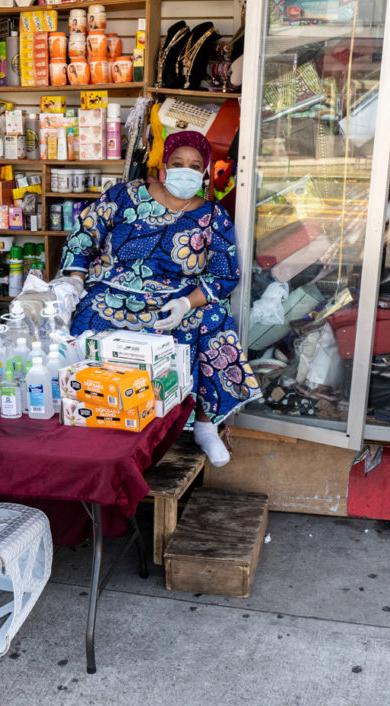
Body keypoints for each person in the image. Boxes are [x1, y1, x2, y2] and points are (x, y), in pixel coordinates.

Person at [56, 130, 261, 466]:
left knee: (214, 319)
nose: (186, 170)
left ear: (205, 172)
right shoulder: (124, 196)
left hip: (172, 302)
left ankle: (205, 424)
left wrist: (186, 304)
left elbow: (224, 275)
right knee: (83, 317)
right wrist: (74, 282)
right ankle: (91, 407)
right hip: (112, 292)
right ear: (164, 166)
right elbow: (84, 234)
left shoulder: (213, 216)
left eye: (195, 166)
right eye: (178, 163)